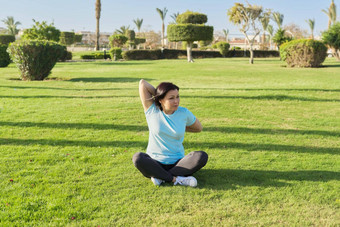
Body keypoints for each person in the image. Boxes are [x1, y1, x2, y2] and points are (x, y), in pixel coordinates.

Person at [132, 79, 208, 187]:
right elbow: (142, 83)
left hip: (178, 163)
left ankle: (160, 177)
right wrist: (159, 95)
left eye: (177, 96)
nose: (176, 101)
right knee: (138, 158)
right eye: (171, 98)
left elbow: (198, 128)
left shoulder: (184, 112)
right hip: (155, 162)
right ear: (161, 100)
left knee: (201, 156)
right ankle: (176, 179)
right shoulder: (152, 110)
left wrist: (181, 128)